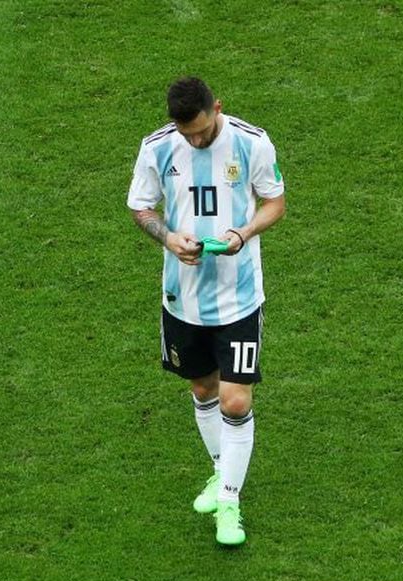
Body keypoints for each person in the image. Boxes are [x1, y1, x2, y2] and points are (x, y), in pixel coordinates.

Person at [126, 77, 286, 546]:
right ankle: (221, 472)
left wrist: (243, 233)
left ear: (217, 107)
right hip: (182, 298)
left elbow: (275, 203)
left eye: (201, 130)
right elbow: (141, 207)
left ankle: (230, 502)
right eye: (186, 134)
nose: (195, 140)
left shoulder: (251, 143)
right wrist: (167, 238)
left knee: (236, 400)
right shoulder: (157, 148)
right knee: (201, 388)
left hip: (238, 297)